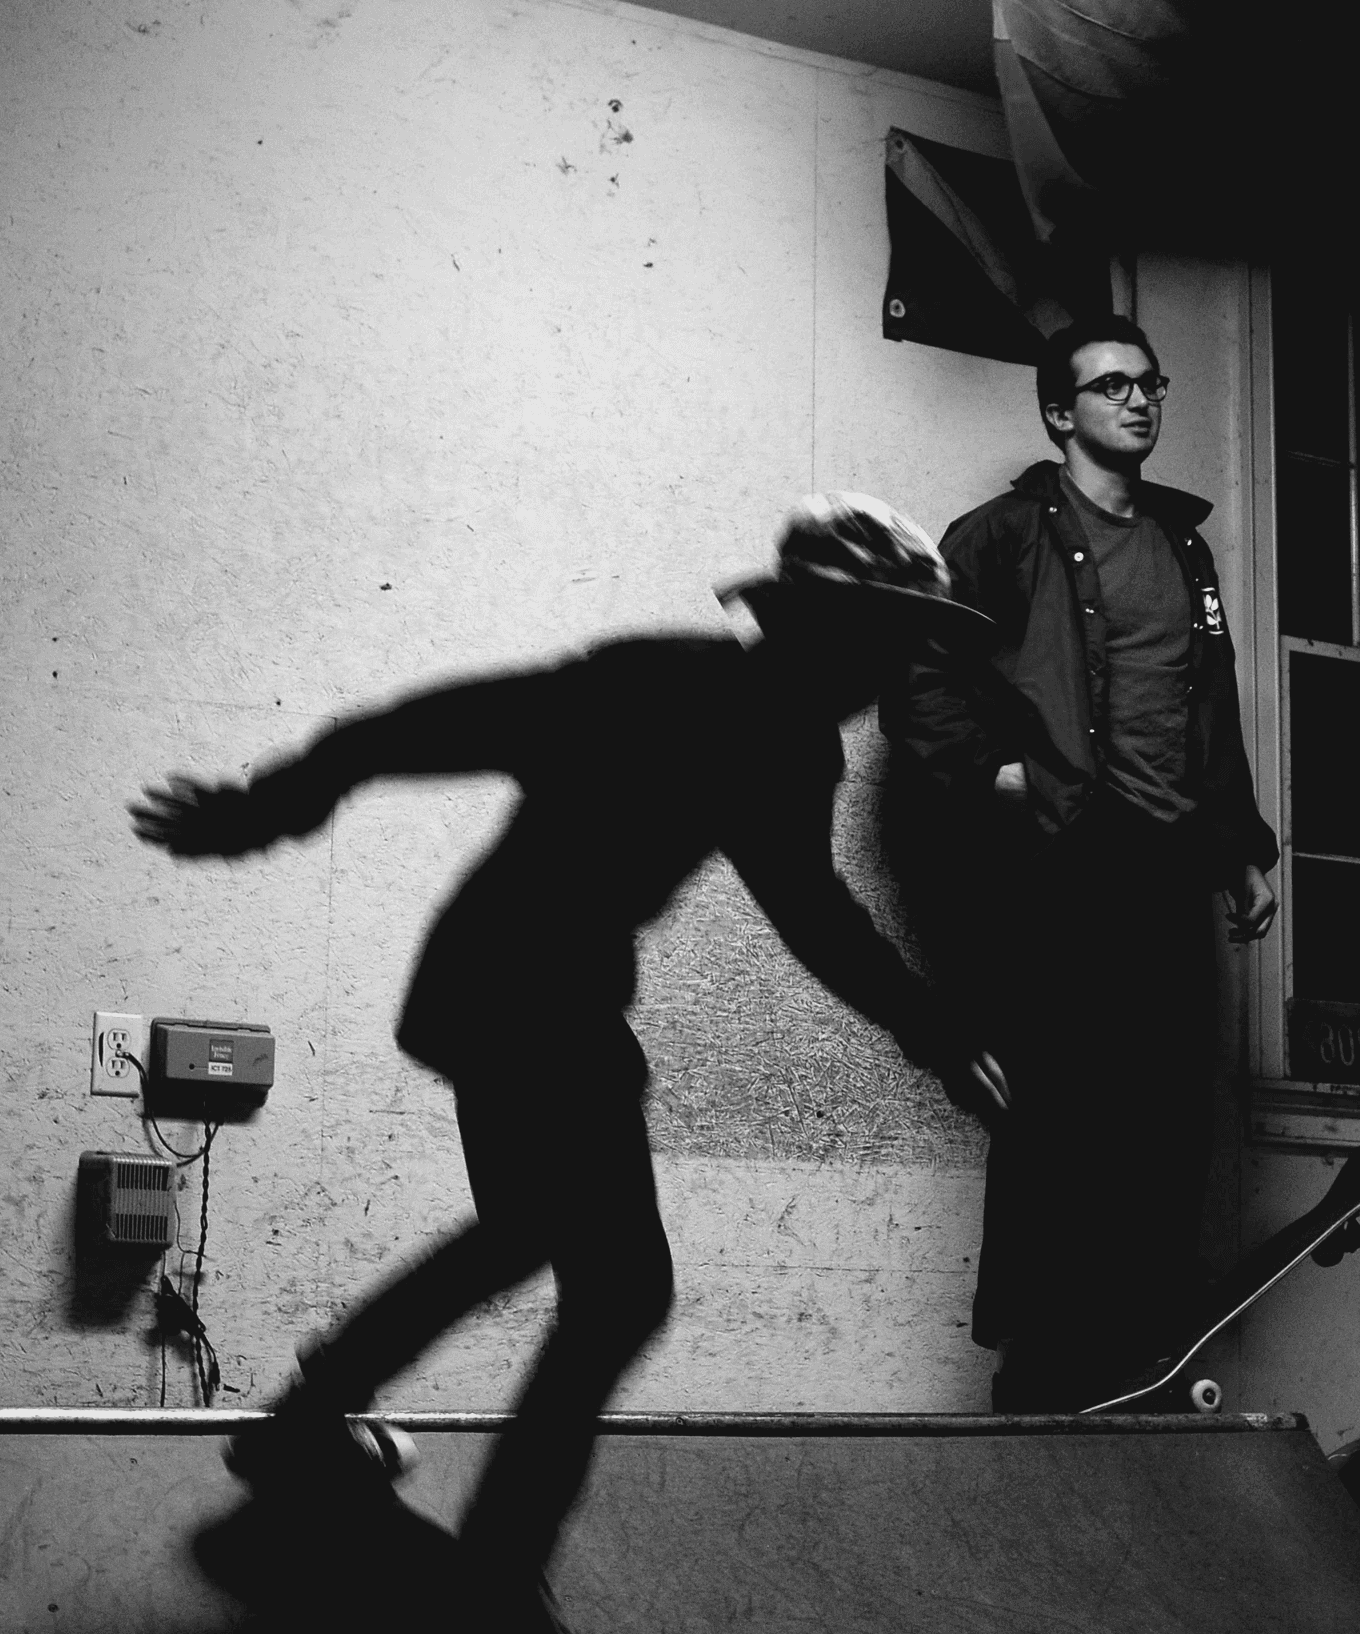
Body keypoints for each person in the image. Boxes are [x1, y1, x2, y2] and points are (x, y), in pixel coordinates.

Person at [131, 494, 1006, 1632]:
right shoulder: (663, 679)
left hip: (535, 993)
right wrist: (279, 799)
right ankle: (490, 1571)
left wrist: (927, 1030)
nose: (893, 673)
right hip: (521, 991)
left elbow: (812, 913)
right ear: (819, 625)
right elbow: (442, 722)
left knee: (525, 1235)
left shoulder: (794, 746)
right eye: (888, 644)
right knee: (621, 1291)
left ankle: (313, 1420)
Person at [881, 314, 1281, 1413]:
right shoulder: (1004, 535)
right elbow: (918, 668)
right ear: (1061, 413)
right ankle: (1040, 1391)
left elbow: (1208, 715)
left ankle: (1131, 1379)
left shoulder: (1183, 549)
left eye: (1150, 383)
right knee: (1064, 1131)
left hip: (1167, 870)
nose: (1138, 401)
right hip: (1065, 867)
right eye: (1111, 388)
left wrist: (1240, 849)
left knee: (1163, 1134)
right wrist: (990, 772)